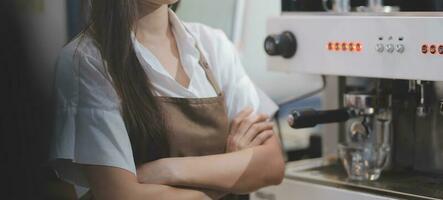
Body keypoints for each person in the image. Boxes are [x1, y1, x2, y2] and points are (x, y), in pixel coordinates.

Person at [50, 0, 285, 199]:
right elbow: (121, 195)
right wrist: (229, 169)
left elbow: (272, 164)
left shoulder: (213, 45)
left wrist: (168, 170)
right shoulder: (86, 60)